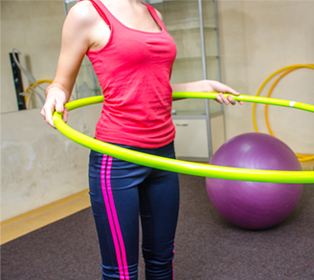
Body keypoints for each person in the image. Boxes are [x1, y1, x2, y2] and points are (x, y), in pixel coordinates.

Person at [41, 0, 242, 279]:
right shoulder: (87, 12)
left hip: (164, 154)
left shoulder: (153, 12)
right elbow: (61, 83)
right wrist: (56, 94)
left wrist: (202, 86)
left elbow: (151, 85)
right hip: (118, 157)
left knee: (162, 261)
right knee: (121, 273)